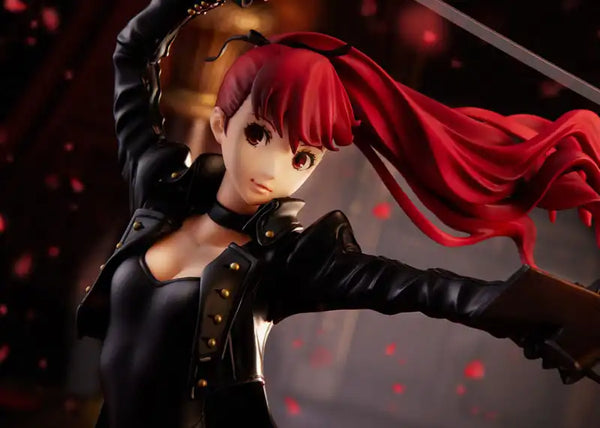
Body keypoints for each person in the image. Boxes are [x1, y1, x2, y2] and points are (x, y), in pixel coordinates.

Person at [76, 0, 600, 427]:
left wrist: (549, 315)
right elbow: (132, 53)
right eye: (258, 134)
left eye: (302, 157)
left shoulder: (290, 260)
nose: (272, 168)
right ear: (221, 123)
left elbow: (422, 289)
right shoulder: (161, 190)